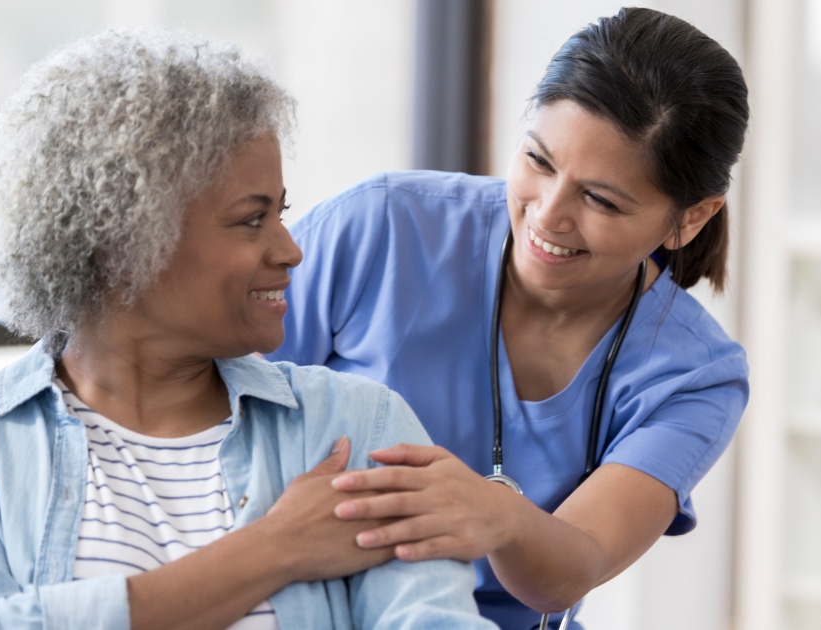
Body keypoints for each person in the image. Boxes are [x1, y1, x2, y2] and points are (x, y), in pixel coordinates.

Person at [0, 28, 494, 630]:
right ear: (125, 246)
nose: (291, 250)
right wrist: (275, 548)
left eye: (282, 212)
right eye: (252, 220)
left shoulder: (356, 427)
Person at [267, 7, 750, 629]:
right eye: (539, 162)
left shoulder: (696, 376)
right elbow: (212, 394)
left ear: (692, 217)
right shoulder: (385, 226)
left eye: (600, 199)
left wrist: (496, 514)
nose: (548, 215)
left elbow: (572, 569)